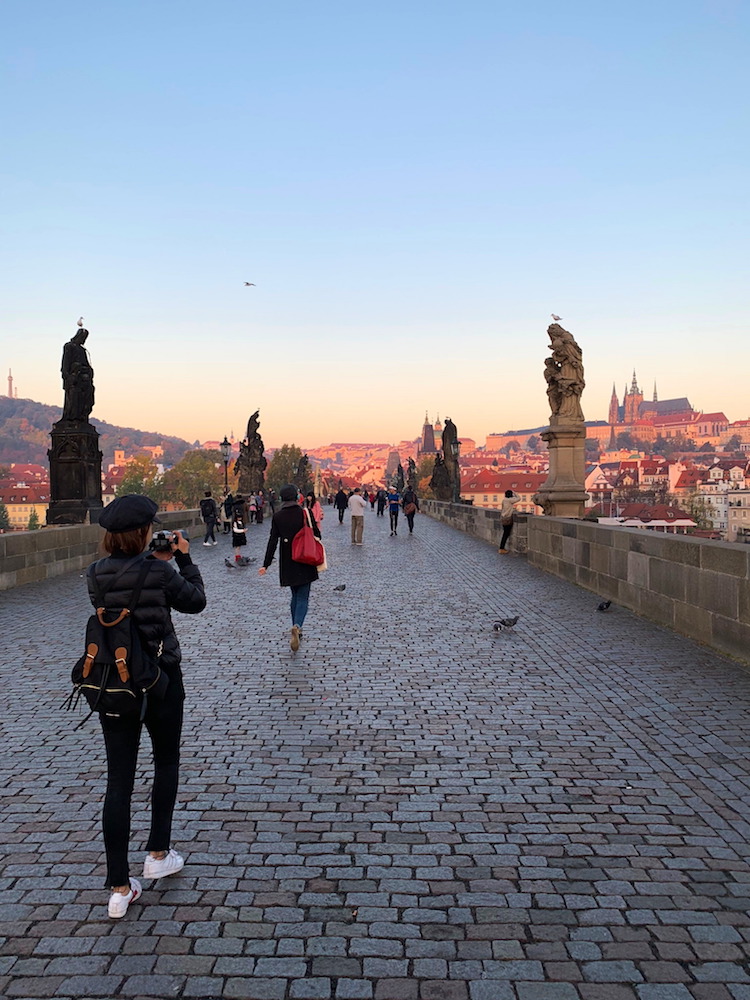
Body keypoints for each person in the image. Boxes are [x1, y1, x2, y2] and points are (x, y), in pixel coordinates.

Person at [87, 494, 205, 919]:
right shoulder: (159, 569)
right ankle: (158, 853)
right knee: (165, 763)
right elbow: (194, 601)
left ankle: (119, 887)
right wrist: (184, 561)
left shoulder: (94, 574)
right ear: (143, 533)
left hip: (115, 682)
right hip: (160, 680)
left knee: (118, 781)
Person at [259, 484, 321, 651]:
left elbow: (272, 541)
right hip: (305, 558)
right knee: (303, 596)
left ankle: (295, 626)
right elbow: (317, 535)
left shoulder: (278, 516)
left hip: (288, 560)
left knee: (294, 595)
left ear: (282, 498)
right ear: (297, 497)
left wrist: (266, 564)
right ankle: (297, 625)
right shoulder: (304, 513)